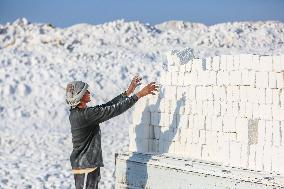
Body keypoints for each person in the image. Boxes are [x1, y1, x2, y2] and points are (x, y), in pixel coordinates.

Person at [65, 75, 159, 189]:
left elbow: (106, 106)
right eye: (86, 91)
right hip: (86, 165)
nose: (89, 92)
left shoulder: (79, 113)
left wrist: (127, 92)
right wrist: (139, 95)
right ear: (80, 96)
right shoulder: (86, 115)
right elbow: (114, 110)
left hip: (86, 164)